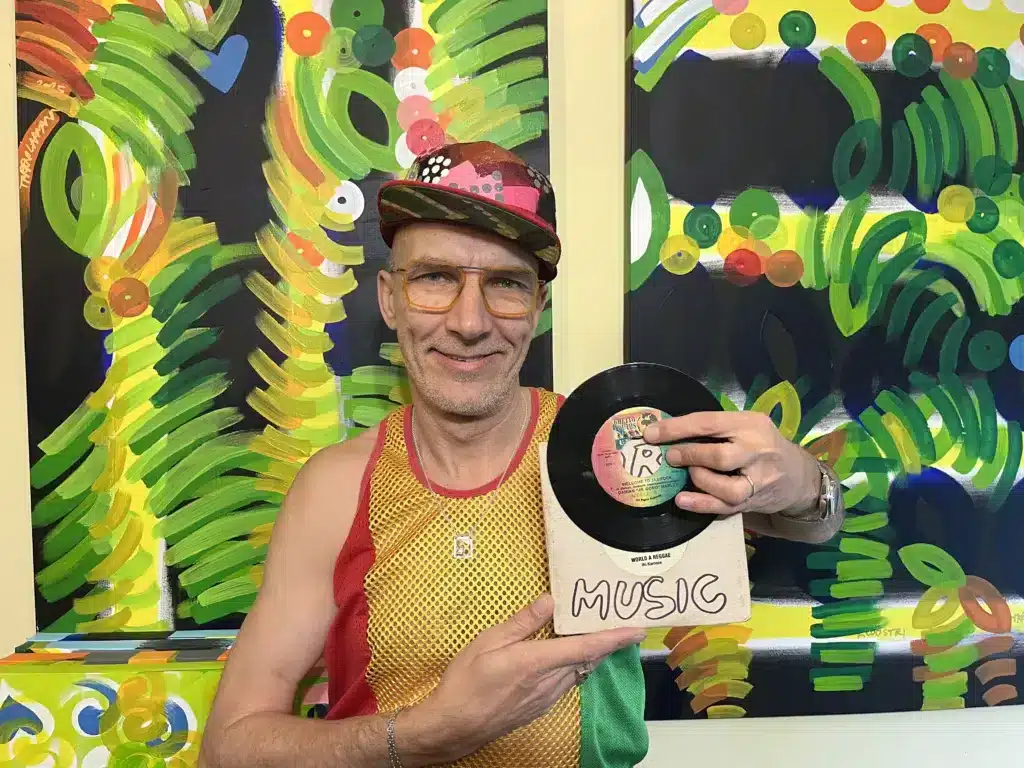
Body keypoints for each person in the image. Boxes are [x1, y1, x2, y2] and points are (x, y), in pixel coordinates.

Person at [198, 141, 845, 768]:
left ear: (538, 305)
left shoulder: (612, 446)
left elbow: (813, 522)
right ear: (390, 298)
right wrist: (424, 735)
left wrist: (803, 484)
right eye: (434, 278)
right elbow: (229, 747)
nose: (470, 322)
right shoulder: (336, 489)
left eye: (506, 284)